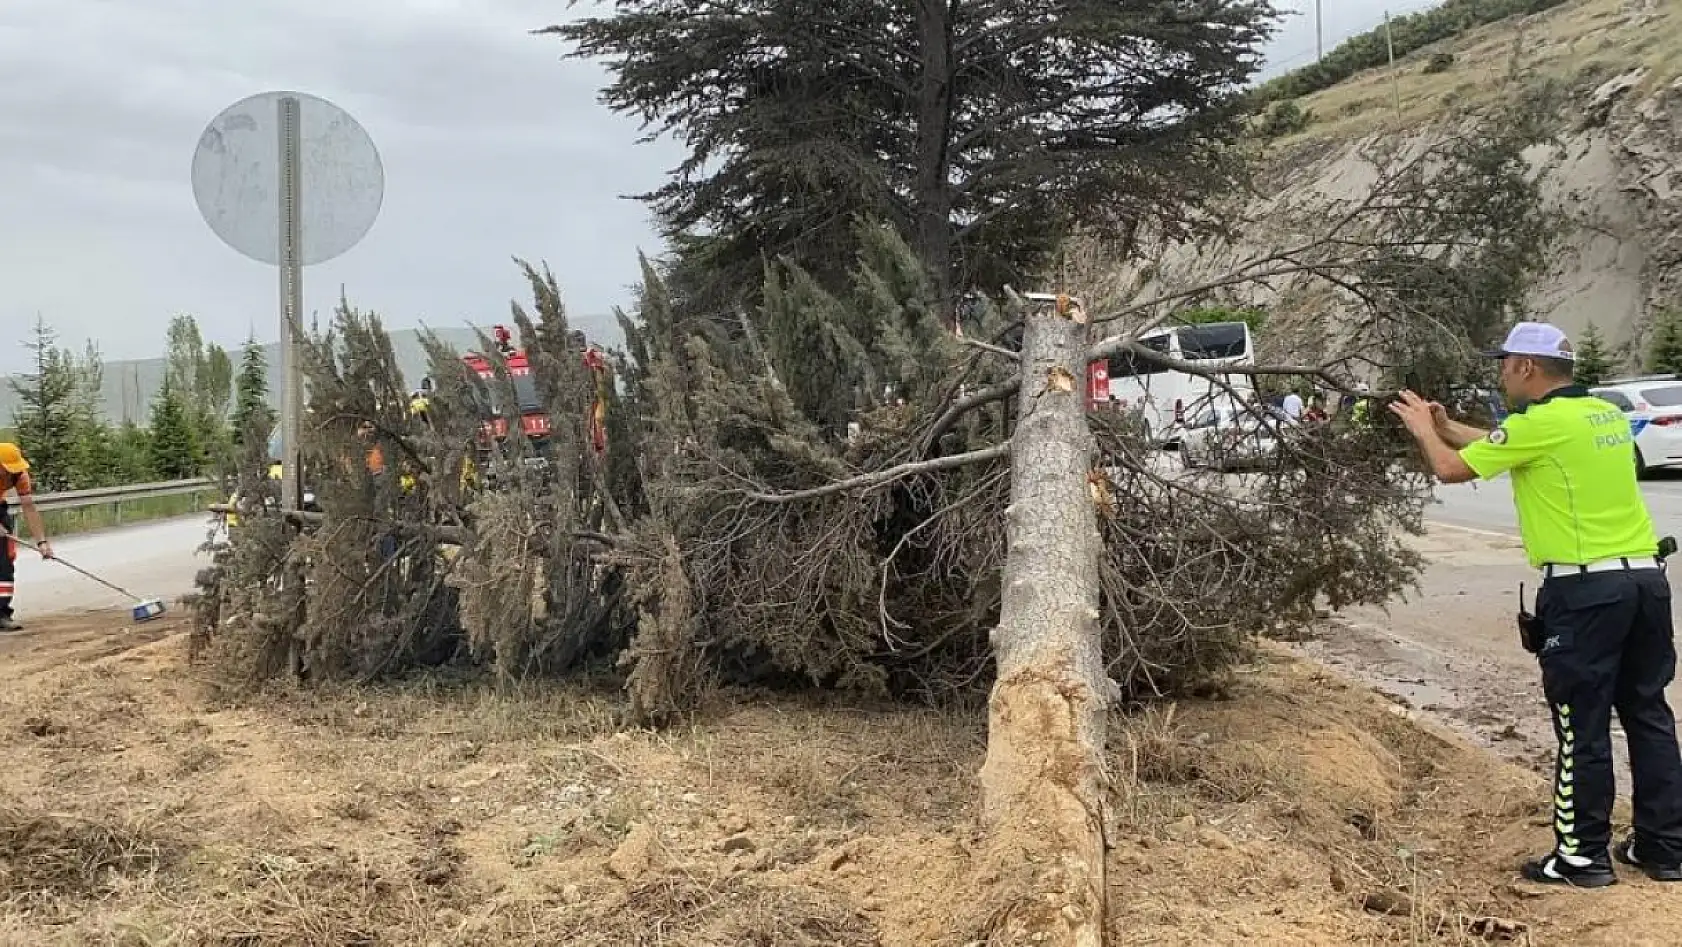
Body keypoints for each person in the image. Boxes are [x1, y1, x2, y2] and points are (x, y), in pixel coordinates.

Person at [1390, 321, 1682, 887]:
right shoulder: (1602, 415)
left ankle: (1580, 856)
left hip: (1586, 594)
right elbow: (1507, 448)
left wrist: (1426, 430)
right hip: (1645, 583)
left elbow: (1451, 470)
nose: (1500, 372)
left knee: (1581, 726)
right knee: (1649, 715)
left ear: (1528, 367)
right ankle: (1664, 848)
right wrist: (1451, 426)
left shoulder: (1540, 423)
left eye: (1505, 363)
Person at [0, 443, 55, 631]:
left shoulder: (20, 476)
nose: (11, 475)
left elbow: (29, 507)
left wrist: (42, 541)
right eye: (8, 470)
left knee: (4, 562)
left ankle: (1, 614)